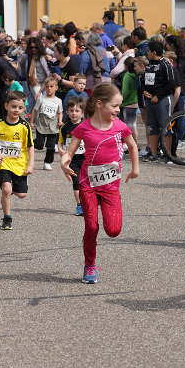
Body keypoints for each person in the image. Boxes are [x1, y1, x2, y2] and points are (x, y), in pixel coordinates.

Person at [60, 84, 139, 284]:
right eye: (114, 106)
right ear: (99, 104)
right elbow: (70, 151)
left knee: (113, 230)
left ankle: (109, 212)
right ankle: (90, 265)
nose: (118, 110)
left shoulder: (120, 126)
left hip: (111, 188)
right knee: (91, 226)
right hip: (88, 185)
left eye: (119, 106)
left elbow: (132, 145)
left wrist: (135, 168)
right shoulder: (83, 127)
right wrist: (64, 160)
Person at [0, 91, 34, 231]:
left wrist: (31, 164)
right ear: (6, 106)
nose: (17, 110)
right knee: (6, 189)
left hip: (20, 163)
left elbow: (30, 147)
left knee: (22, 194)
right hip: (3, 163)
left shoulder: (24, 126)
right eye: (14, 106)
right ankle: (7, 218)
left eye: (20, 108)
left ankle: (10, 191)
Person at [141, 41, 176, 162]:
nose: (147, 53)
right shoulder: (149, 64)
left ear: (154, 52)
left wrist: (159, 96)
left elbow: (171, 83)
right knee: (152, 127)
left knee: (166, 127)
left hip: (162, 100)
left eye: (148, 51)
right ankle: (154, 154)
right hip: (149, 100)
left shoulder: (165, 63)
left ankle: (168, 155)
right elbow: (145, 80)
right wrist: (144, 91)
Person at [57, 97, 87, 216]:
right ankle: (79, 205)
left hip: (86, 158)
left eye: (77, 111)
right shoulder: (65, 127)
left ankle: (90, 201)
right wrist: (61, 151)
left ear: (82, 113)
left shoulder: (87, 125)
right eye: (71, 111)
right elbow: (60, 142)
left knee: (88, 182)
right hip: (72, 159)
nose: (74, 113)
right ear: (67, 112)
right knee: (77, 182)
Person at [30, 78, 62, 170]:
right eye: (47, 87)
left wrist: (60, 121)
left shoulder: (58, 101)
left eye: (51, 86)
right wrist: (32, 122)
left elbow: (60, 112)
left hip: (53, 127)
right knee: (40, 145)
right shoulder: (41, 99)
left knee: (51, 147)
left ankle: (47, 162)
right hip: (41, 126)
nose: (49, 89)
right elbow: (35, 110)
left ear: (56, 88)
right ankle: (29, 143)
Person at [121, 57, 142, 148]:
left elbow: (125, 92)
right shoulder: (137, 76)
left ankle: (133, 145)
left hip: (127, 103)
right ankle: (135, 144)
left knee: (129, 126)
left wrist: (120, 100)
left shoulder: (127, 76)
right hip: (135, 102)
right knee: (133, 125)